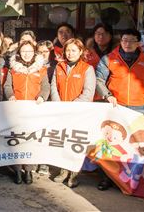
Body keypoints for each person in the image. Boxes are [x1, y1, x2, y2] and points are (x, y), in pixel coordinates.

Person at [50, 38, 96, 188]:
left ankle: (74, 174)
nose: (70, 53)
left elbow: (88, 93)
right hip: (60, 111)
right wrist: (59, 105)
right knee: (63, 141)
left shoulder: (87, 69)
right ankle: (63, 171)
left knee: (76, 143)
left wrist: (71, 107)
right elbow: (53, 87)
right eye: (67, 50)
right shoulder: (59, 66)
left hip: (79, 113)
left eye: (74, 50)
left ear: (81, 51)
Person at [4, 40, 50, 185]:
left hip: (34, 109)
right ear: (19, 53)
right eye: (23, 51)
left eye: (29, 51)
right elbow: (7, 86)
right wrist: (10, 95)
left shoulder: (41, 69)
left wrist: (42, 97)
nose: (26, 54)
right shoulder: (13, 69)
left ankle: (29, 170)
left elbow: (46, 87)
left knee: (30, 140)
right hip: (16, 109)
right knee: (17, 140)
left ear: (34, 52)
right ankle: (18, 170)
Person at [96, 29, 144, 117]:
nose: (127, 44)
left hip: (141, 107)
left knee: (139, 130)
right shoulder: (108, 59)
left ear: (138, 43)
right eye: (125, 40)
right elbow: (99, 80)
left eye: (132, 41)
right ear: (121, 41)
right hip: (116, 104)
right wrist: (108, 96)